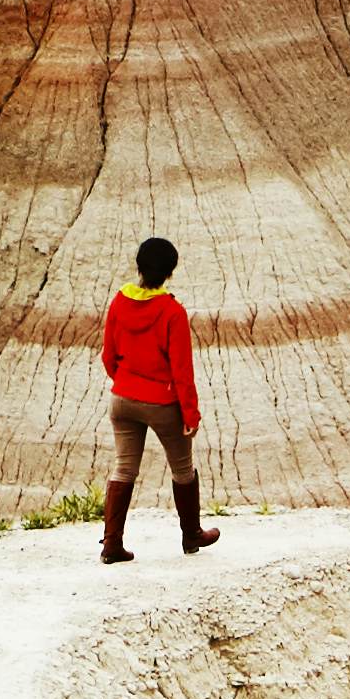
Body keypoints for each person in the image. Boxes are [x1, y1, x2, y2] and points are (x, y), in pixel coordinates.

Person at [97, 236, 215, 563]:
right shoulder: (172, 312)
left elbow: (109, 355)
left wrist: (125, 381)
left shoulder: (119, 302)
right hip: (162, 402)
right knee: (182, 469)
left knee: (123, 468)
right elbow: (181, 371)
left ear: (139, 266)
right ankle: (192, 535)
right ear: (170, 272)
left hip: (122, 398)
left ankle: (111, 545)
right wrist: (190, 414)